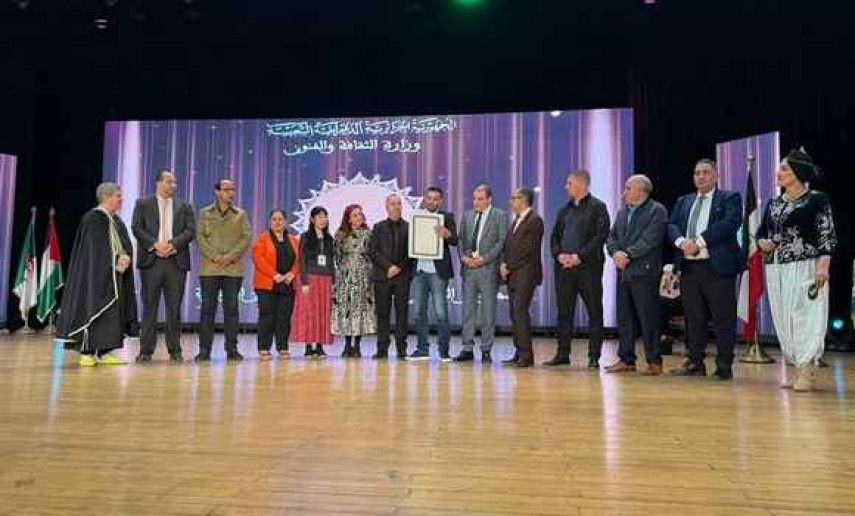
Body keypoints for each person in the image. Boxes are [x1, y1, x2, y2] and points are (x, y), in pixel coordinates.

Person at [758, 148, 836, 392]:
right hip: (777, 267)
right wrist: (763, 243)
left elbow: (827, 235)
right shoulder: (772, 203)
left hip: (806, 266)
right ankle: (795, 366)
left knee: (806, 315)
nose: (778, 173)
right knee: (784, 317)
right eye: (780, 168)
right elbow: (761, 234)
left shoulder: (816, 199)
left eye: (784, 169)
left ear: (798, 173)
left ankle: (806, 368)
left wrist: (823, 267)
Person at [667, 159, 743, 380]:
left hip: (717, 267)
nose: (701, 176)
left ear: (716, 176)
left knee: (723, 319)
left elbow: (729, 224)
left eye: (706, 172)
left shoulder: (729, 198)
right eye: (697, 172)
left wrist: (698, 242)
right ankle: (695, 362)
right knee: (693, 318)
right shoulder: (684, 201)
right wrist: (682, 243)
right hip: (689, 267)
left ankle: (723, 366)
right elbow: (671, 225)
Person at [56, 183, 139, 367]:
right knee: (92, 309)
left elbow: (123, 244)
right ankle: (86, 352)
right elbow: (94, 252)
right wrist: (115, 259)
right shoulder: (93, 219)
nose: (121, 199)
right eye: (118, 195)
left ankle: (105, 350)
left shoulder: (115, 220)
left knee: (111, 313)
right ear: (107, 196)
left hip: (114, 276)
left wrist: (125, 257)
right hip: (94, 278)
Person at [546, 170, 610, 369]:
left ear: (582, 184)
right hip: (564, 269)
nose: (566, 186)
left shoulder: (598, 207)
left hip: (588, 269)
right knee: (564, 312)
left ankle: (594, 356)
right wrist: (559, 255)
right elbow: (554, 237)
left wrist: (578, 256)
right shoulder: (564, 210)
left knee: (594, 311)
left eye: (569, 183)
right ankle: (562, 353)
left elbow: (600, 237)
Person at [605, 174, 667, 375]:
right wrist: (615, 252)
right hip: (624, 272)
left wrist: (628, 254)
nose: (624, 192)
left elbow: (651, 240)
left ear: (641, 190)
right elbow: (611, 237)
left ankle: (654, 361)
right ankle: (626, 359)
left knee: (648, 318)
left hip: (645, 273)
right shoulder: (623, 212)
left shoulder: (656, 210)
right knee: (625, 317)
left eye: (627, 188)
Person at [131, 169, 196, 363]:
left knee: (174, 309)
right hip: (152, 261)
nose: (173, 186)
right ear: (158, 183)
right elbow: (137, 228)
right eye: (169, 182)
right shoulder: (143, 203)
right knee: (149, 307)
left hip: (176, 262)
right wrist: (155, 244)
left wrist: (172, 245)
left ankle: (175, 350)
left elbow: (190, 231)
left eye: (174, 182)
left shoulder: (184, 206)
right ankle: (145, 351)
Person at [195, 179, 252, 362]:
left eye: (233, 189)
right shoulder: (205, 213)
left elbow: (246, 237)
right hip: (210, 269)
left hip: (232, 269)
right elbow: (200, 237)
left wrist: (230, 256)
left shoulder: (240, 214)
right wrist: (215, 256)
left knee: (232, 310)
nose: (231, 193)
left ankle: (232, 349)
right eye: (227, 189)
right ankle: (204, 350)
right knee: (207, 310)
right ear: (217, 191)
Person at [454, 183, 507, 363]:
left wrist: (484, 259)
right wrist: (463, 257)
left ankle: (486, 349)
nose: (476, 202)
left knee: (487, 312)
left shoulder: (500, 215)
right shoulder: (467, 216)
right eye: (474, 198)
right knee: (468, 310)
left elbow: (501, 242)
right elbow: (461, 240)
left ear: (489, 199)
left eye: (480, 199)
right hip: (469, 269)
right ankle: (467, 348)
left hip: (488, 269)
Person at [408, 186, 458, 362]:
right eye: (429, 198)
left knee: (441, 312)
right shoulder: (416, 217)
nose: (432, 201)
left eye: (436, 198)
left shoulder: (447, 217)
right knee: (419, 312)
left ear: (441, 201)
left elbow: (455, 240)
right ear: (424, 199)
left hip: (438, 272)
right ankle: (422, 349)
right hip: (420, 271)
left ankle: (444, 351)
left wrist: (447, 234)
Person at [500, 188, 544, 367]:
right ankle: (519, 352)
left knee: (520, 312)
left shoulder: (534, 220)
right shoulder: (517, 220)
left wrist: (508, 265)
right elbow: (509, 246)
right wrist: (503, 264)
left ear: (524, 200)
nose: (511, 201)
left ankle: (527, 356)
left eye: (514, 198)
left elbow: (528, 250)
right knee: (514, 313)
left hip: (526, 274)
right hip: (513, 274)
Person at [369, 195, 414, 359]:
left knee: (402, 313)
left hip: (402, 277)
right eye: (393, 204)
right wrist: (389, 267)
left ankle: (402, 349)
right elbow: (373, 252)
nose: (396, 207)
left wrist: (399, 268)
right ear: (386, 207)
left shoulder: (409, 227)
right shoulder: (378, 227)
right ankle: (382, 348)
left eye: (399, 204)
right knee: (382, 313)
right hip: (383, 276)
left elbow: (412, 253)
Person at [252, 210, 300, 360]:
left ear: (285, 222)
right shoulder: (262, 239)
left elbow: (299, 260)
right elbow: (258, 260)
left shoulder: (294, 240)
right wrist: (274, 275)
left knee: (284, 317)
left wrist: (292, 273)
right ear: (270, 222)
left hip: (287, 284)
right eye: (274, 219)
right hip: (267, 284)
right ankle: (264, 348)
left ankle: (283, 347)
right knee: (267, 316)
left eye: (280, 219)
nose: (277, 222)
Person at [332, 204, 376, 358]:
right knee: (347, 311)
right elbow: (337, 257)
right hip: (345, 278)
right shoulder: (340, 235)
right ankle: (346, 344)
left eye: (360, 214)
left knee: (359, 310)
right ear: (348, 219)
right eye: (355, 215)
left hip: (362, 277)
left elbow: (372, 255)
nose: (358, 218)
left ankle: (357, 345)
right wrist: (343, 273)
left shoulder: (368, 234)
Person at [292, 207, 336, 358]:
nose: (323, 219)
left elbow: (331, 261)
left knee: (323, 312)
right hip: (310, 278)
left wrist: (334, 281)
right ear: (312, 219)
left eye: (325, 216)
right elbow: (302, 259)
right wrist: (304, 281)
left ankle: (320, 345)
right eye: (319, 217)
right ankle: (308, 346)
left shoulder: (330, 239)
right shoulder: (305, 237)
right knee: (309, 312)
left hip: (325, 279)